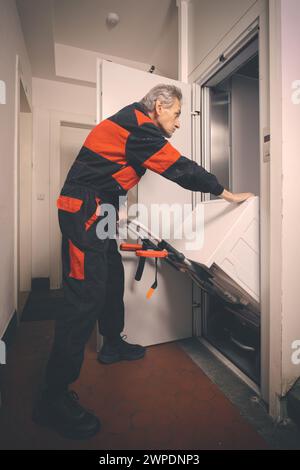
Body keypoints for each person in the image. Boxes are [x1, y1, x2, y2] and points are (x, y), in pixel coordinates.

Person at [33, 84, 254, 439]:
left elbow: (109, 172)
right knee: (83, 297)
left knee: (111, 279)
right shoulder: (140, 128)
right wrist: (225, 193)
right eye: (178, 113)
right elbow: (180, 169)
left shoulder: (132, 123)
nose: (179, 122)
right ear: (159, 107)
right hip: (85, 210)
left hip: (100, 208)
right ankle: (52, 398)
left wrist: (114, 210)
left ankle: (112, 343)